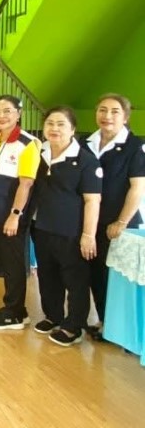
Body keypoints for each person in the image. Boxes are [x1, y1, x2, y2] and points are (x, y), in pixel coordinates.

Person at [31, 106, 101, 346]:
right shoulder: (38, 153)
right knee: (47, 275)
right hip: (41, 227)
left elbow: (92, 200)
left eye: (61, 124)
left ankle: (74, 326)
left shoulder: (86, 161)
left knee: (75, 279)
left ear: (72, 129)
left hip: (71, 231)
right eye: (50, 123)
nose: (54, 129)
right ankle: (53, 316)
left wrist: (88, 235)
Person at [83, 93, 145, 340]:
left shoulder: (135, 147)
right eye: (102, 110)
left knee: (119, 278)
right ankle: (105, 323)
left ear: (125, 117)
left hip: (119, 223)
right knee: (96, 274)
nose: (107, 116)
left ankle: (126, 332)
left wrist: (121, 221)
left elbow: (137, 187)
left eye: (115, 111)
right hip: (92, 221)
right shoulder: (86, 143)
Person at [0, 94, 41, 331]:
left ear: (18, 113)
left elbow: (26, 183)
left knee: (13, 261)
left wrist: (15, 214)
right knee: (5, 260)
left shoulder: (27, 143)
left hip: (11, 209)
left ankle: (14, 313)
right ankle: (15, 308)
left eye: (7, 111)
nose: (1, 116)